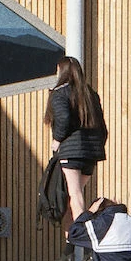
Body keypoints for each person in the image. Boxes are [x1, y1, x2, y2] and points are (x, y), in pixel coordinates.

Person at [50, 56, 108, 224]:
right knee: (74, 195)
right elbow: (102, 128)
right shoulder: (91, 94)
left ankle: (81, 235)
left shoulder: (60, 93)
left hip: (72, 151)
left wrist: (57, 139)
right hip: (91, 152)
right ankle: (71, 243)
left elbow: (64, 118)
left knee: (74, 194)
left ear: (62, 71)